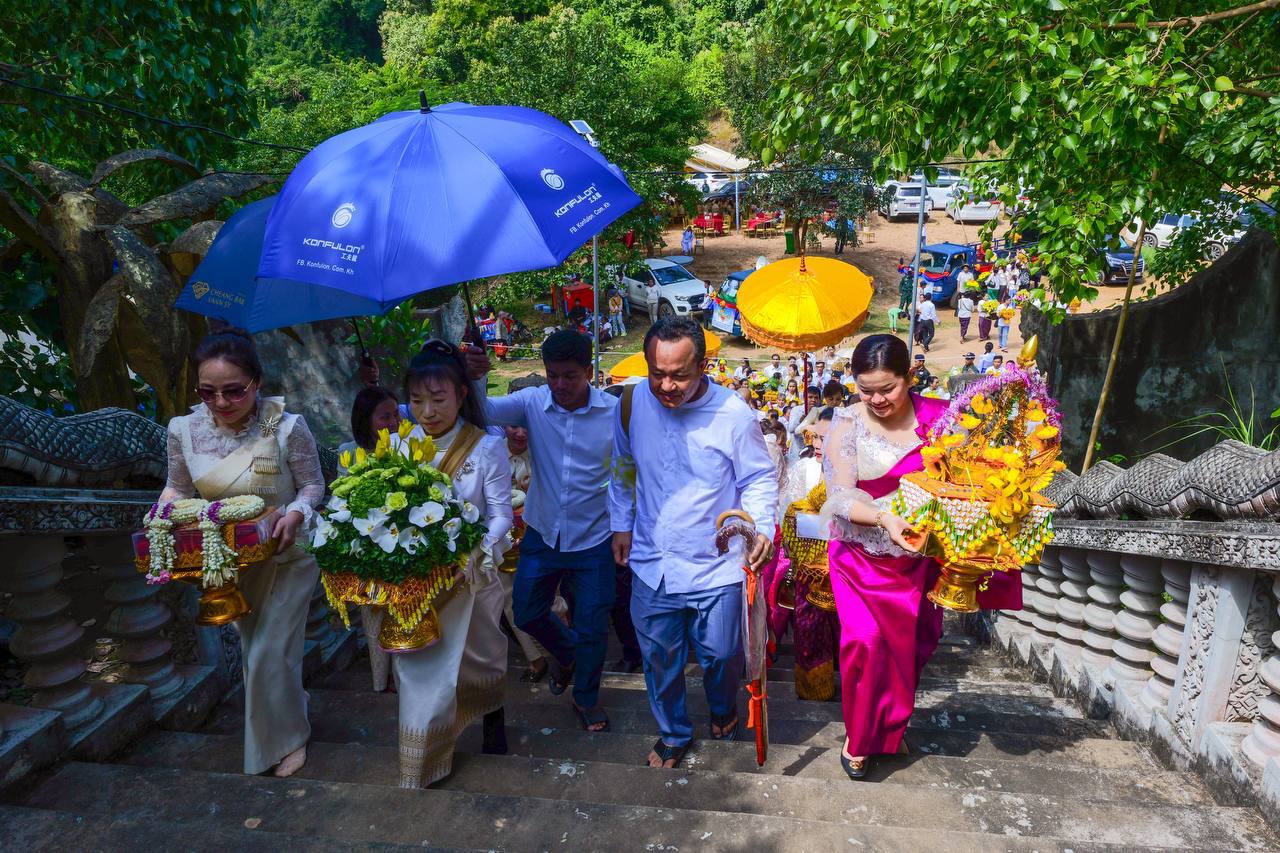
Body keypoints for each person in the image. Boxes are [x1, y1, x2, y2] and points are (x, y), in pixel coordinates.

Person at [819, 335, 1020, 779]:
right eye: (864, 389)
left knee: (909, 651)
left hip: (919, 560)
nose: (876, 399)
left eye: (887, 388)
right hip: (858, 556)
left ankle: (888, 730)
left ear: (909, 377)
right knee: (865, 644)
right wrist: (884, 518)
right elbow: (838, 498)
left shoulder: (942, 418)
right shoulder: (847, 423)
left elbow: (971, 478)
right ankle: (860, 736)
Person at [610, 317, 778, 769]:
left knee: (722, 655)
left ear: (704, 365)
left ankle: (723, 707)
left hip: (715, 562)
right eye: (657, 372)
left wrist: (762, 527)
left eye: (679, 374)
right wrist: (621, 524)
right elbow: (623, 466)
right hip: (652, 558)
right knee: (659, 657)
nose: (666, 385)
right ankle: (673, 732)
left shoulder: (733, 415)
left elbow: (759, 477)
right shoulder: (630, 402)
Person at [158, 326, 322, 778]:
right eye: (208, 392)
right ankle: (289, 704)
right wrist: (162, 515)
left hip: (288, 553)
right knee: (258, 650)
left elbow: (312, 485)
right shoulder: (184, 430)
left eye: (234, 391)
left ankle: (287, 740)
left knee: (269, 649)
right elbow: (177, 486)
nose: (222, 403)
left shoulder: (281, 425)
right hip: (228, 559)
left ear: (257, 383)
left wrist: (296, 513)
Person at [465, 330, 622, 731]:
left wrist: (624, 526)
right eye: (552, 375)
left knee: (592, 623)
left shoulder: (613, 414)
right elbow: (482, 411)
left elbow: (625, 474)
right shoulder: (533, 403)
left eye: (569, 376)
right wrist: (475, 376)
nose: (559, 385)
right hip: (542, 533)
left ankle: (585, 699)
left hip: (595, 538)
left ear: (590, 371)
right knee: (528, 610)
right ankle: (568, 654)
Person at [394, 342, 512, 788]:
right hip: (418, 579)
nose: (427, 410)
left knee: (479, 655)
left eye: (438, 399)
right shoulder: (403, 445)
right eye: (418, 400)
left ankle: (491, 717)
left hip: (472, 575)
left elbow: (500, 513)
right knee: (421, 664)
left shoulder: (486, 448)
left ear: (462, 395)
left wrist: (478, 545)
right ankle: (423, 757)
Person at [766, 406, 841, 700]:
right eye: (816, 438)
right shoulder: (804, 468)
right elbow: (790, 515)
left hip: (848, 567)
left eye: (827, 439)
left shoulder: (862, 474)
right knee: (809, 629)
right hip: (810, 567)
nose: (818, 445)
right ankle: (814, 688)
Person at [338, 386, 403, 693]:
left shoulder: (409, 446)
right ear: (366, 420)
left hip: (404, 543)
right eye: (384, 416)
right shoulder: (348, 452)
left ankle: (404, 676)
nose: (393, 422)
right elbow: (345, 498)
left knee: (405, 609)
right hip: (367, 547)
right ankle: (380, 678)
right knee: (374, 608)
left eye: (396, 414)